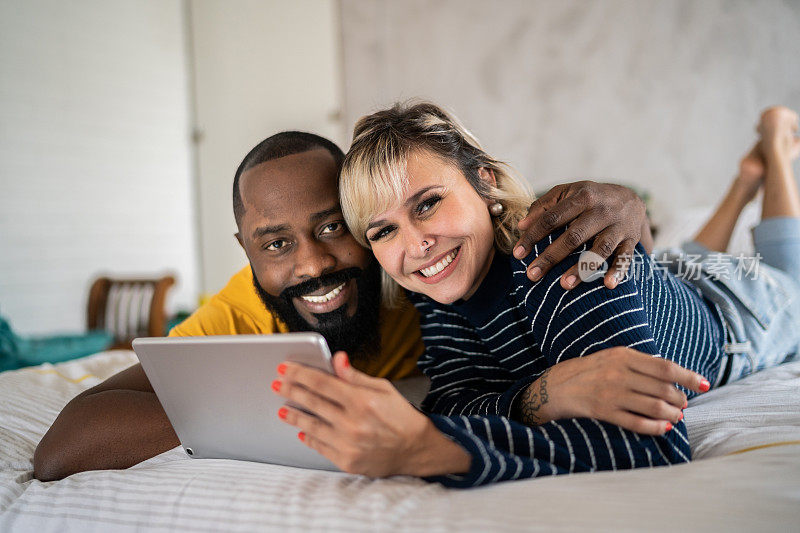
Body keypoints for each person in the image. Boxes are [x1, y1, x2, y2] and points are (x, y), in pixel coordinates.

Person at [33, 131, 660, 481]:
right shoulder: (236, 319)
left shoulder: (414, 277)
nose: (310, 265)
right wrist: (268, 412)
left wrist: (630, 208)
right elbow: (63, 446)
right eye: (275, 244)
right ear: (246, 252)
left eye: (334, 227)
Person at [273, 103, 800, 487]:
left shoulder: (562, 261)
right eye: (382, 231)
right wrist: (541, 394)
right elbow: (456, 398)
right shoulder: (434, 289)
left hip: (737, 314)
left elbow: (650, 442)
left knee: (788, 275)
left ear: (483, 183)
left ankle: (776, 149)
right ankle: (745, 180)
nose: (415, 246)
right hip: (666, 283)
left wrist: (434, 449)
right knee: (680, 256)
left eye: (428, 204)